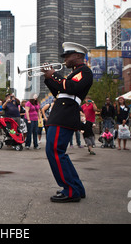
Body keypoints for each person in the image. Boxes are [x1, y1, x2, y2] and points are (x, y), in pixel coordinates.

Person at [42, 42, 93, 203]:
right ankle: (76, 187)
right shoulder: (74, 72)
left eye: (67, 56)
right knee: (57, 151)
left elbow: (71, 87)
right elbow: (59, 91)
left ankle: (70, 190)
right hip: (62, 112)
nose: (65, 59)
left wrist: (54, 75)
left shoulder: (84, 71)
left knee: (55, 151)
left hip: (65, 114)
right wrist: (49, 78)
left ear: (78, 56)